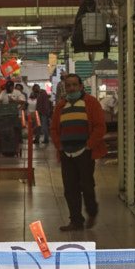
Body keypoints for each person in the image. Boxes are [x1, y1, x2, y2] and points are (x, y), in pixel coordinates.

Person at [50, 73, 107, 231]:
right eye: (68, 85)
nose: (72, 88)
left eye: (75, 85)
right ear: (65, 88)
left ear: (81, 86)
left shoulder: (91, 103)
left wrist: (89, 145)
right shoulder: (61, 106)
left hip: (85, 153)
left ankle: (92, 212)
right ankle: (76, 221)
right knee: (70, 188)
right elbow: (54, 129)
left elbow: (100, 127)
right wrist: (59, 146)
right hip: (66, 154)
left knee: (87, 186)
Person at [0, 81, 24, 156]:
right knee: (4, 132)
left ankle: (14, 147)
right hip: (4, 115)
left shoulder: (17, 92)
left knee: (15, 132)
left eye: (9, 87)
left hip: (14, 115)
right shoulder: (4, 92)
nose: (8, 89)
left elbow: (23, 102)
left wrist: (16, 103)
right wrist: (0, 105)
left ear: (12, 87)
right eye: (7, 87)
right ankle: (4, 148)